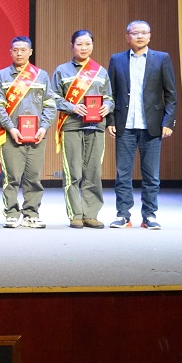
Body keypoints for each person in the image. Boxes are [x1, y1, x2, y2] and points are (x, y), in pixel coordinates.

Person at [106, 20, 177, 230]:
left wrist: (168, 122)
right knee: (123, 175)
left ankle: (150, 215)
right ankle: (123, 215)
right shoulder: (117, 59)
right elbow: (110, 94)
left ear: (150, 36)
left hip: (152, 126)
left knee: (151, 176)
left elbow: (170, 94)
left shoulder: (162, 58)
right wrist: (110, 120)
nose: (140, 36)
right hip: (124, 125)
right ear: (127, 36)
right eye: (135, 33)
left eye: (144, 32)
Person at [0, 36, 57, 228]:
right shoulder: (2, 76)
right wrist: (10, 128)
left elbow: (50, 105)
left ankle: (31, 213)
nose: (19, 53)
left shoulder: (41, 76)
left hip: (37, 136)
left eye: (23, 50)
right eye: (15, 50)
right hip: (10, 135)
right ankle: (11, 213)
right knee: (11, 177)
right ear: (10, 52)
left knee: (33, 176)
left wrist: (43, 127)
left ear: (30, 52)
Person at [50, 29, 113, 229]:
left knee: (93, 171)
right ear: (72, 46)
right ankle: (75, 214)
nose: (83, 48)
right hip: (72, 125)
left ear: (92, 46)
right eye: (79, 44)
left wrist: (107, 106)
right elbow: (52, 97)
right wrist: (72, 107)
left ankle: (91, 214)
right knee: (73, 171)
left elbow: (109, 97)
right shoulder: (62, 70)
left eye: (87, 44)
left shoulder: (100, 71)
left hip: (96, 126)